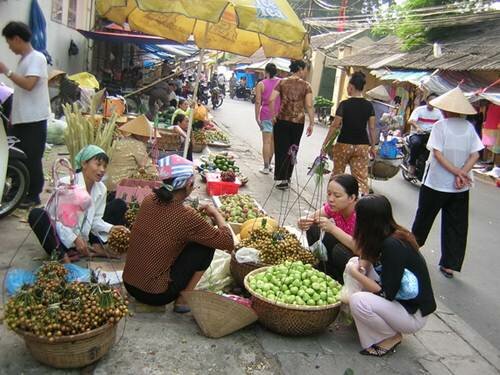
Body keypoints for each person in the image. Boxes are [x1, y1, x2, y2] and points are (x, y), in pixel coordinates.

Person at [123, 155, 234, 312]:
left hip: (129, 284)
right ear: (189, 184)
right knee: (205, 247)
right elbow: (228, 241)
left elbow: (169, 226)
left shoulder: (149, 199)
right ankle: (182, 300)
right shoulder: (186, 216)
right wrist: (216, 214)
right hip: (155, 294)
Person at [347, 194, 436, 356]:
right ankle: (373, 323)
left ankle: (390, 336)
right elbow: (368, 255)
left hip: (412, 314)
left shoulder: (393, 246)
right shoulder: (391, 233)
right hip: (401, 300)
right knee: (354, 262)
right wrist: (363, 264)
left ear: (368, 222)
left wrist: (356, 273)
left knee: (358, 301)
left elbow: (385, 293)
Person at [411, 87, 484, 279]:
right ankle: (450, 265)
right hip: (460, 186)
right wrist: (462, 173)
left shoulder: (440, 126)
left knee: (423, 219)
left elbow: (437, 153)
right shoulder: (469, 127)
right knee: (456, 225)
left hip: (436, 182)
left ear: (445, 109)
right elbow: (476, 154)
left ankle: (411, 251)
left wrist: (456, 172)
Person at [28, 145, 128, 263]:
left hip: (84, 236)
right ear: (84, 164)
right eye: (98, 164)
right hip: (60, 237)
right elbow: (56, 220)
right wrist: (74, 238)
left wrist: (111, 228)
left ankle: (94, 245)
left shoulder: (101, 189)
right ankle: (61, 253)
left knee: (119, 204)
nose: (102, 169)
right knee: (36, 214)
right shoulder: (67, 184)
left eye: (104, 166)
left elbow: (95, 220)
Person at [1, 21, 50, 208]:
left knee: (32, 158)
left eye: (9, 42)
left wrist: (7, 71)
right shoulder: (24, 60)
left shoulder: (37, 58)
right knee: (16, 158)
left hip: (34, 119)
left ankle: (33, 195)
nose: (9, 46)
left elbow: (29, 85)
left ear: (17, 39)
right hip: (22, 119)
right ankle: (17, 192)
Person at [321, 71, 376, 195]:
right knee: (361, 178)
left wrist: (325, 144)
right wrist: (373, 147)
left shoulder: (344, 104)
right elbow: (372, 128)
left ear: (351, 87)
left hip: (344, 144)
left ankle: (333, 203)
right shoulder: (369, 106)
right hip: (362, 146)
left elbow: (335, 125)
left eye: (347, 87)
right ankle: (362, 205)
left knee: (338, 175)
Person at [298, 174, 358, 283]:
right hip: (339, 249)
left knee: (339, 251)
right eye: (329, 194)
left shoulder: (361, 214)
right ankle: (322, 267)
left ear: (352, 198)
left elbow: (360, 248)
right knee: (313, 227)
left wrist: (333, 229)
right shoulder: (334, 207)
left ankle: (340, 280)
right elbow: (311, 218)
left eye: (337, 196)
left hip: (358, 261)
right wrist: (302, 222)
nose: (331, 199)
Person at [269, 60, 315, 190]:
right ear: (300, 69)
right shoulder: (306, 86)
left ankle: (282, 178)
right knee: (293, 149)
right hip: (298, 122)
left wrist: (273, 115)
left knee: (281, 149)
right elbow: (309, 105)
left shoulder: (282, 82)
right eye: (305, 69)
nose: (306, 72)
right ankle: (288, 177)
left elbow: (271, 99)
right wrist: (311, 123)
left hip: (282, 120)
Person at [407, 93, 444, 176]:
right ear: (427, 100)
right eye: (430, 100)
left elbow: (442, 124)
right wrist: (417, 127)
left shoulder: (438, 113)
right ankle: (412, 164)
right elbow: (411, 121)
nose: (432, 102)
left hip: (430, 135)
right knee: (416, 143)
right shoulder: (419, 110)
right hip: (417, 134)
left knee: (437, 147)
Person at [254, 63, 280, 175]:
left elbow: (258, 101)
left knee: (266, 142)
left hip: (266, 114)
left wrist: (256, 117)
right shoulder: (281, 82)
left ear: (266, 72)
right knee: (274, 141)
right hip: (278, 115)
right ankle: (269, 165)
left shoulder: (261, 84)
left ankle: (265, 167)